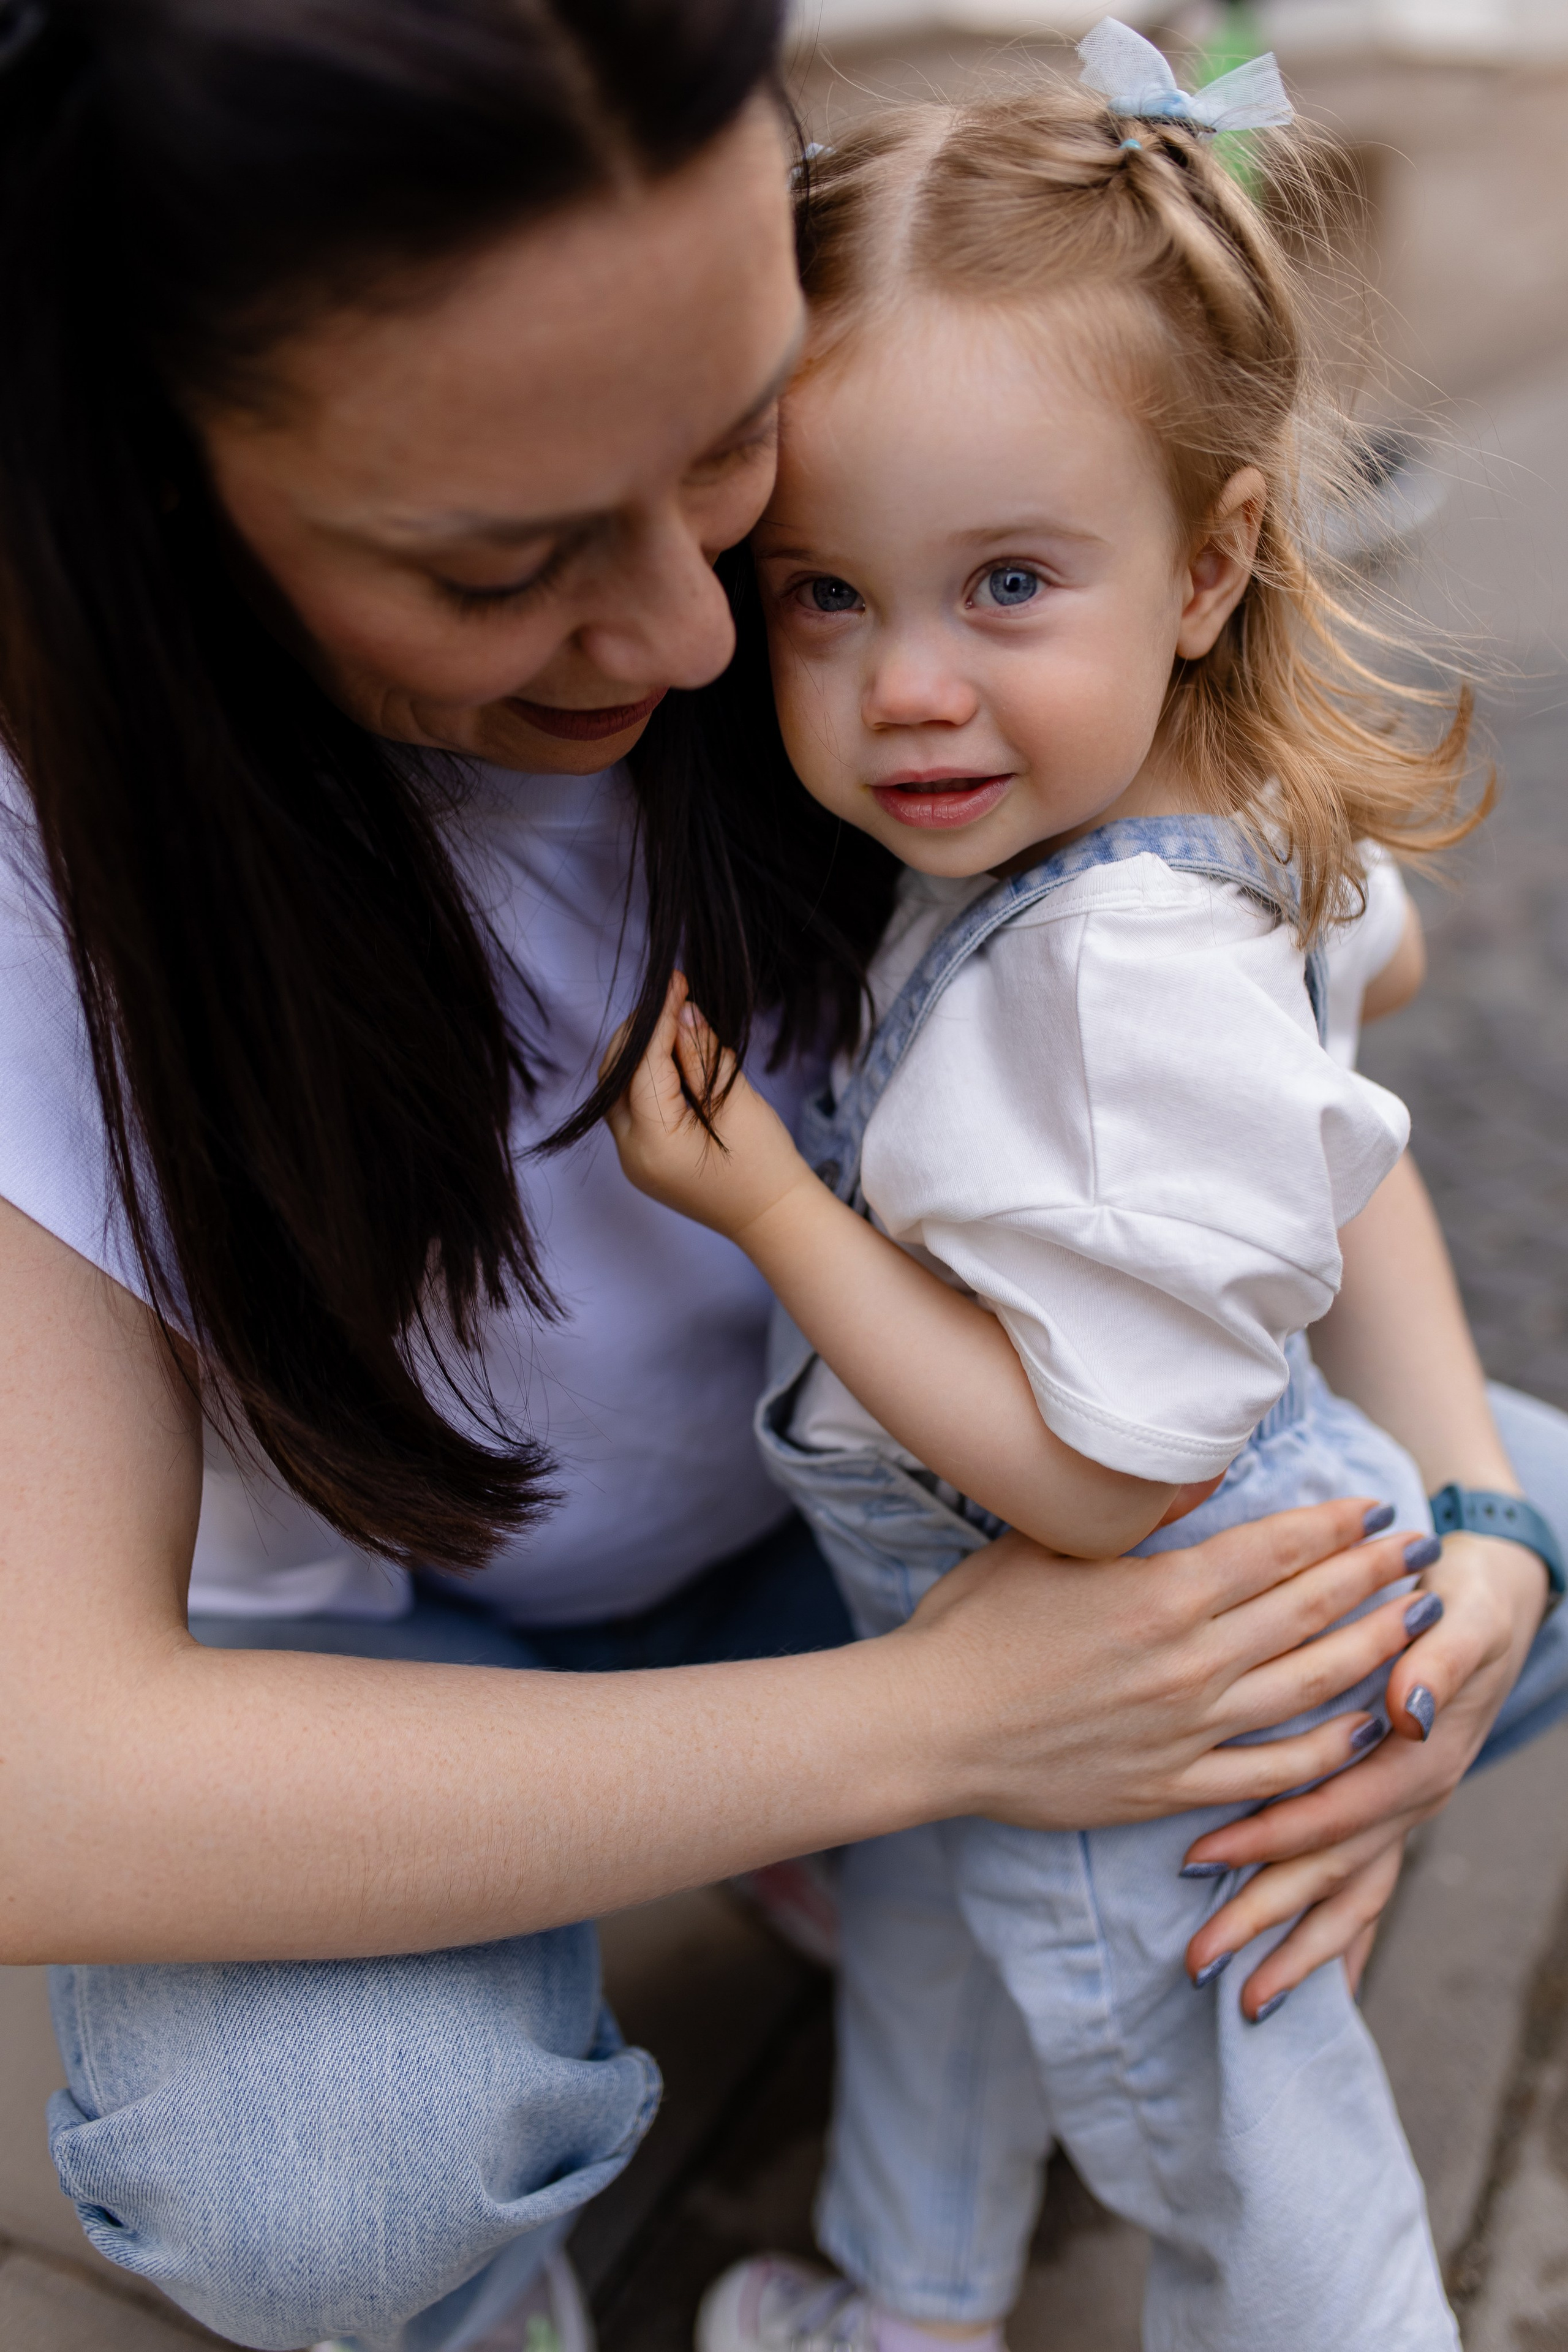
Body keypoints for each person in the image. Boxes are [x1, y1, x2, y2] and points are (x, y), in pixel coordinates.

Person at [0, 7, 1559, 2352]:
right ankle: (860, 1836)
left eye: (734, 446)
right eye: (504, 561)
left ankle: (890, 1864)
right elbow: (61, 1782)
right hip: (406, 1660)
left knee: (1461, 1555)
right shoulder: (55, 878)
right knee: (328, 2183)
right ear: (141, 505)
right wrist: (951, 1728)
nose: (706, 635)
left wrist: (1477, 1515)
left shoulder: (893, 566)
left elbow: (1285, 1111)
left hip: (857, 1528)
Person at [604, 33, 1564, 2351]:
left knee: (1243, 2146)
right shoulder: (1169, 836)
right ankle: (911, 2296)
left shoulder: (1106, 977)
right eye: (824, 595)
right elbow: (1376, 964)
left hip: (1157, 1672)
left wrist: (768, 1205)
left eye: (1007, 582)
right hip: (998, 1641)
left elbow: (1107, 1481)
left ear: (1217, 556)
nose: (907, 690)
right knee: (936, 1943)